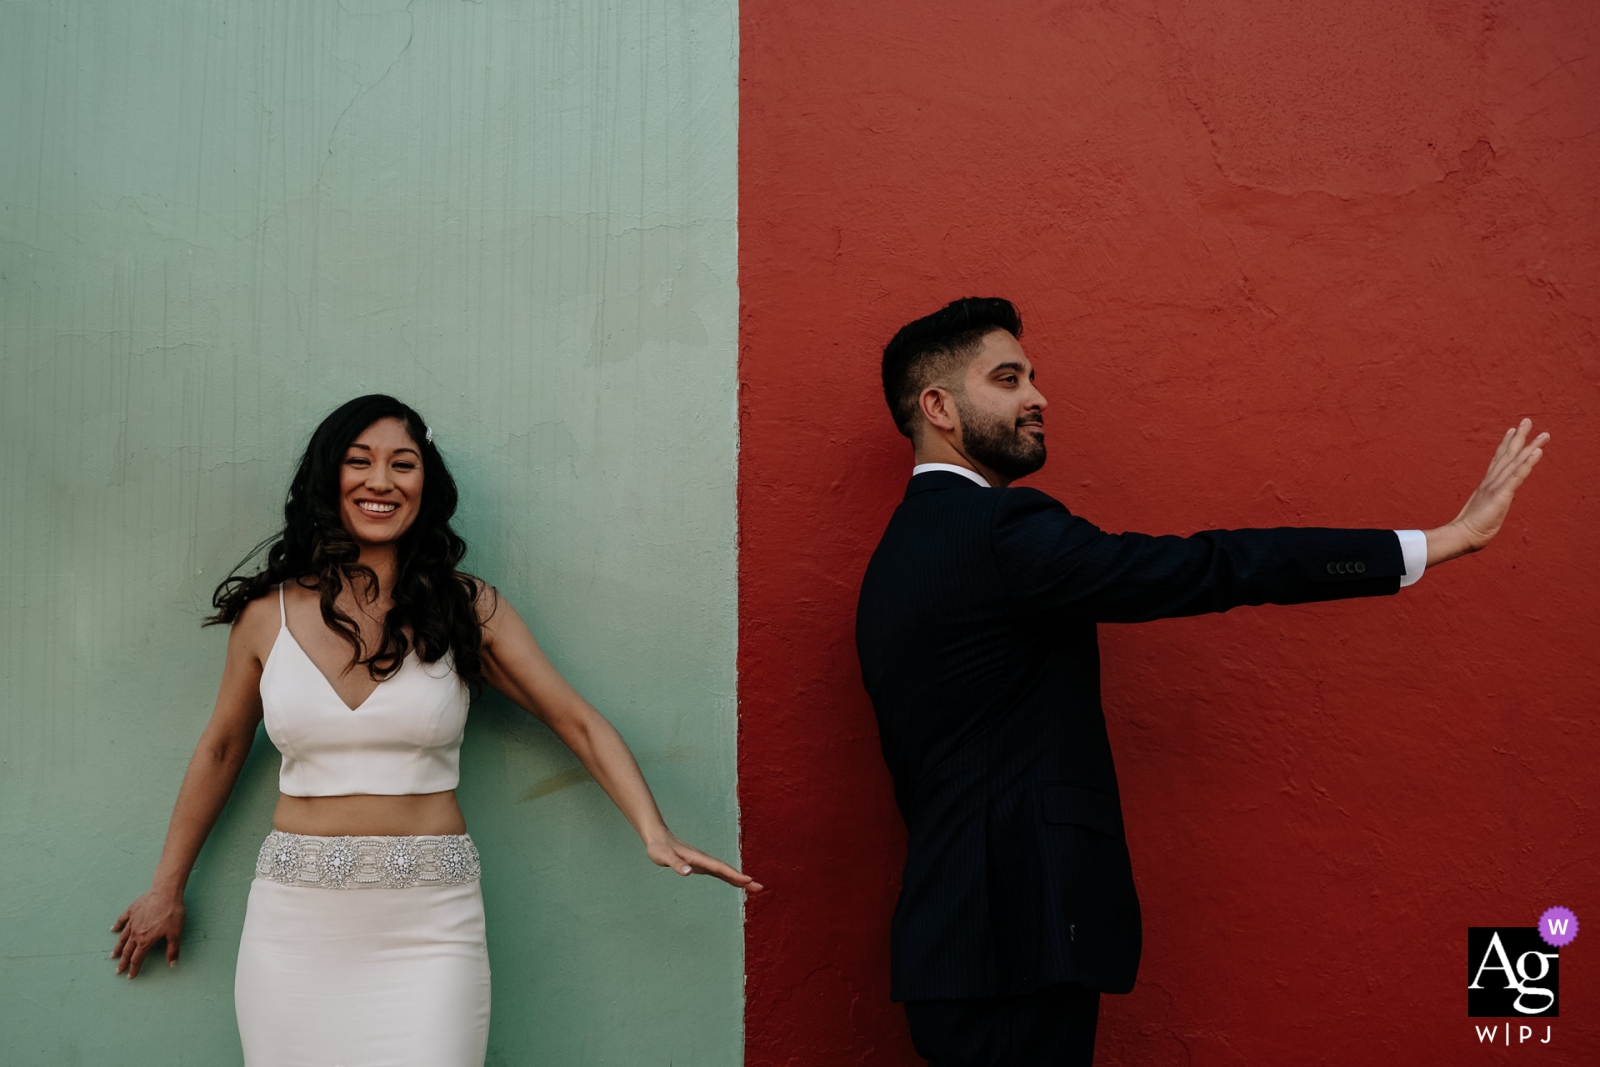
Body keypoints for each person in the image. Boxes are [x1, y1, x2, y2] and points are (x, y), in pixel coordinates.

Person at [854, 297, 1548, 1067]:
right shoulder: (999, 532)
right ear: (939, 407)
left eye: (1033, 377)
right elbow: (1205, 566)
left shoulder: (898, 558)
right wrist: (1438, 542)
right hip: (1020, 938)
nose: (1038, 397)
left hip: (958, 942)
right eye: (1009, 378)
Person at [110, 394, 759, 1066]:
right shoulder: (264, 616)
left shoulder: (467, 608)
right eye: (360, 462)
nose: (382, 481)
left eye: (404, 463)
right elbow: (221, 747)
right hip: (294, 924)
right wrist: (166, 885)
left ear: (426, 482)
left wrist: (654, 830)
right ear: (329, 477)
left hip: (429, 926)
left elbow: (576, 719)